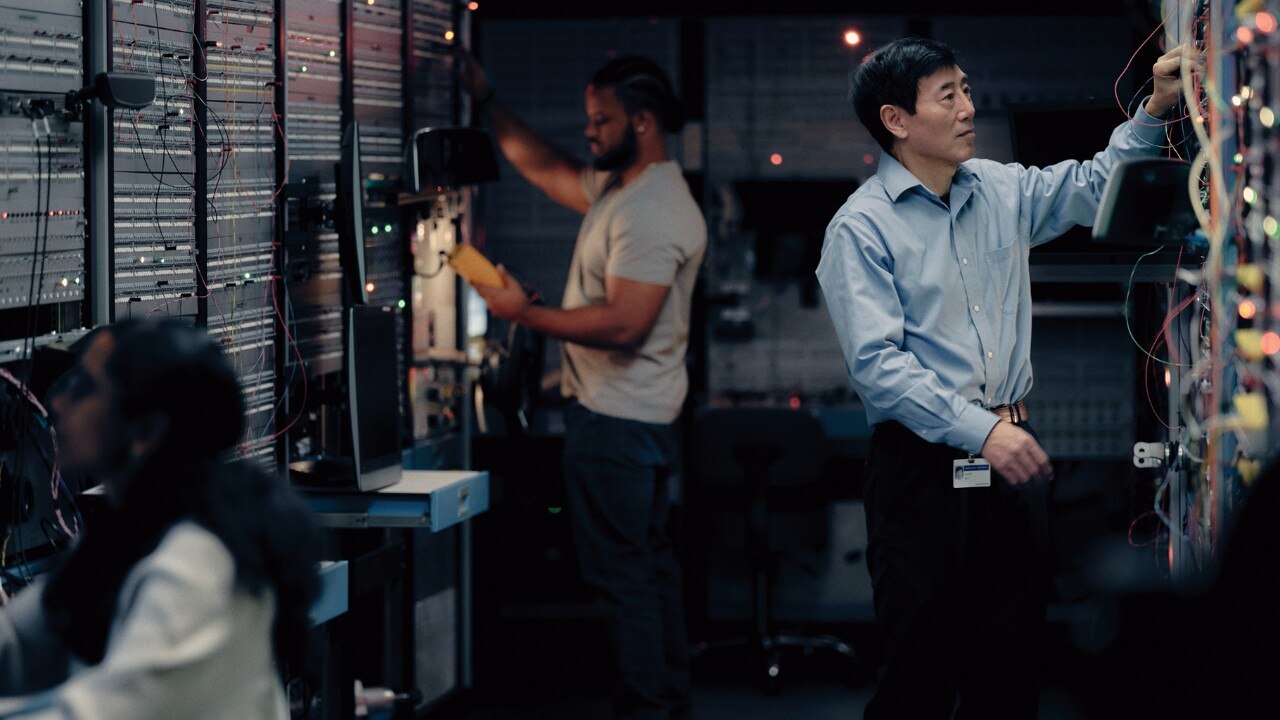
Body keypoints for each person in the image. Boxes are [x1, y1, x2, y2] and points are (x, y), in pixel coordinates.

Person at [815, 37, 1187, 719]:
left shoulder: (999, 188)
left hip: (1011, 458)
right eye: (947, 95)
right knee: (919, 675)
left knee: (1012, 669)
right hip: (921, 469)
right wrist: (982, 433)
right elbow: (878, 367)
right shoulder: (860, 229)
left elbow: (1095, 185)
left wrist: (1155, 109)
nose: (969, 107)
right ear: (897, 120)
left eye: (966, 88)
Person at [455, 49, 706, 720]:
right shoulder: (622, 190)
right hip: (630, 418)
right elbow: (546, 167)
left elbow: (625, 324)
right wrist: (487, 100)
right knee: (646, 567)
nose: (589, 132)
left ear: (642, 122)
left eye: (602, 120)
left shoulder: (651, 210)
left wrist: (521, 312)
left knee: (624, 576)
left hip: (618, 424)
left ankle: (651, 708)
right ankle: (667, 700)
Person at [0, 319, 320, 719]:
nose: (58, 404)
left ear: (145, 431)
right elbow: (17, 643)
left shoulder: (197, 567)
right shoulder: (125, 535)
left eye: (84, 388)